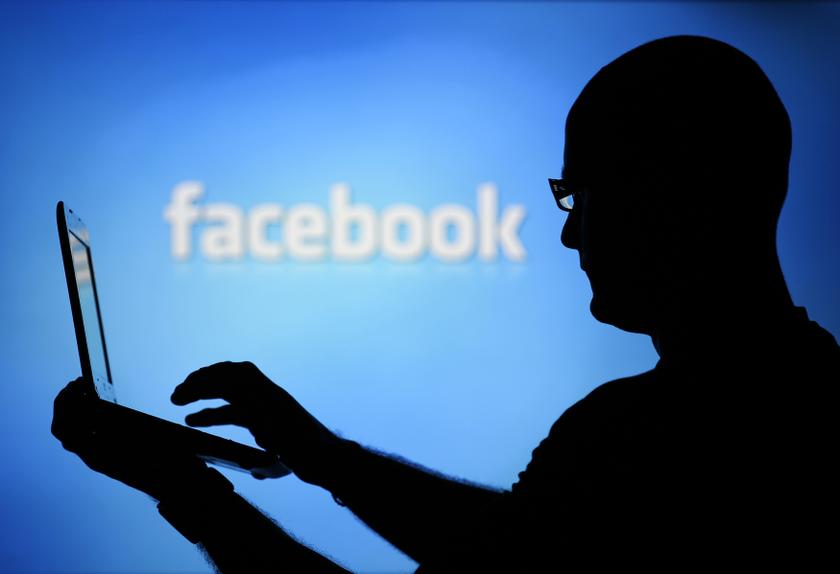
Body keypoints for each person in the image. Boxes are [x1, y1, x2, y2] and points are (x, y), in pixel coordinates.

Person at [53, 35, 839, 571]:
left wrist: (189, 493)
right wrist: (318, 453)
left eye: (578, 195)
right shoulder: (801, 401)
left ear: (668, 193)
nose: (570, 240)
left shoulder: (633, 437)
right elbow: (513, 549)